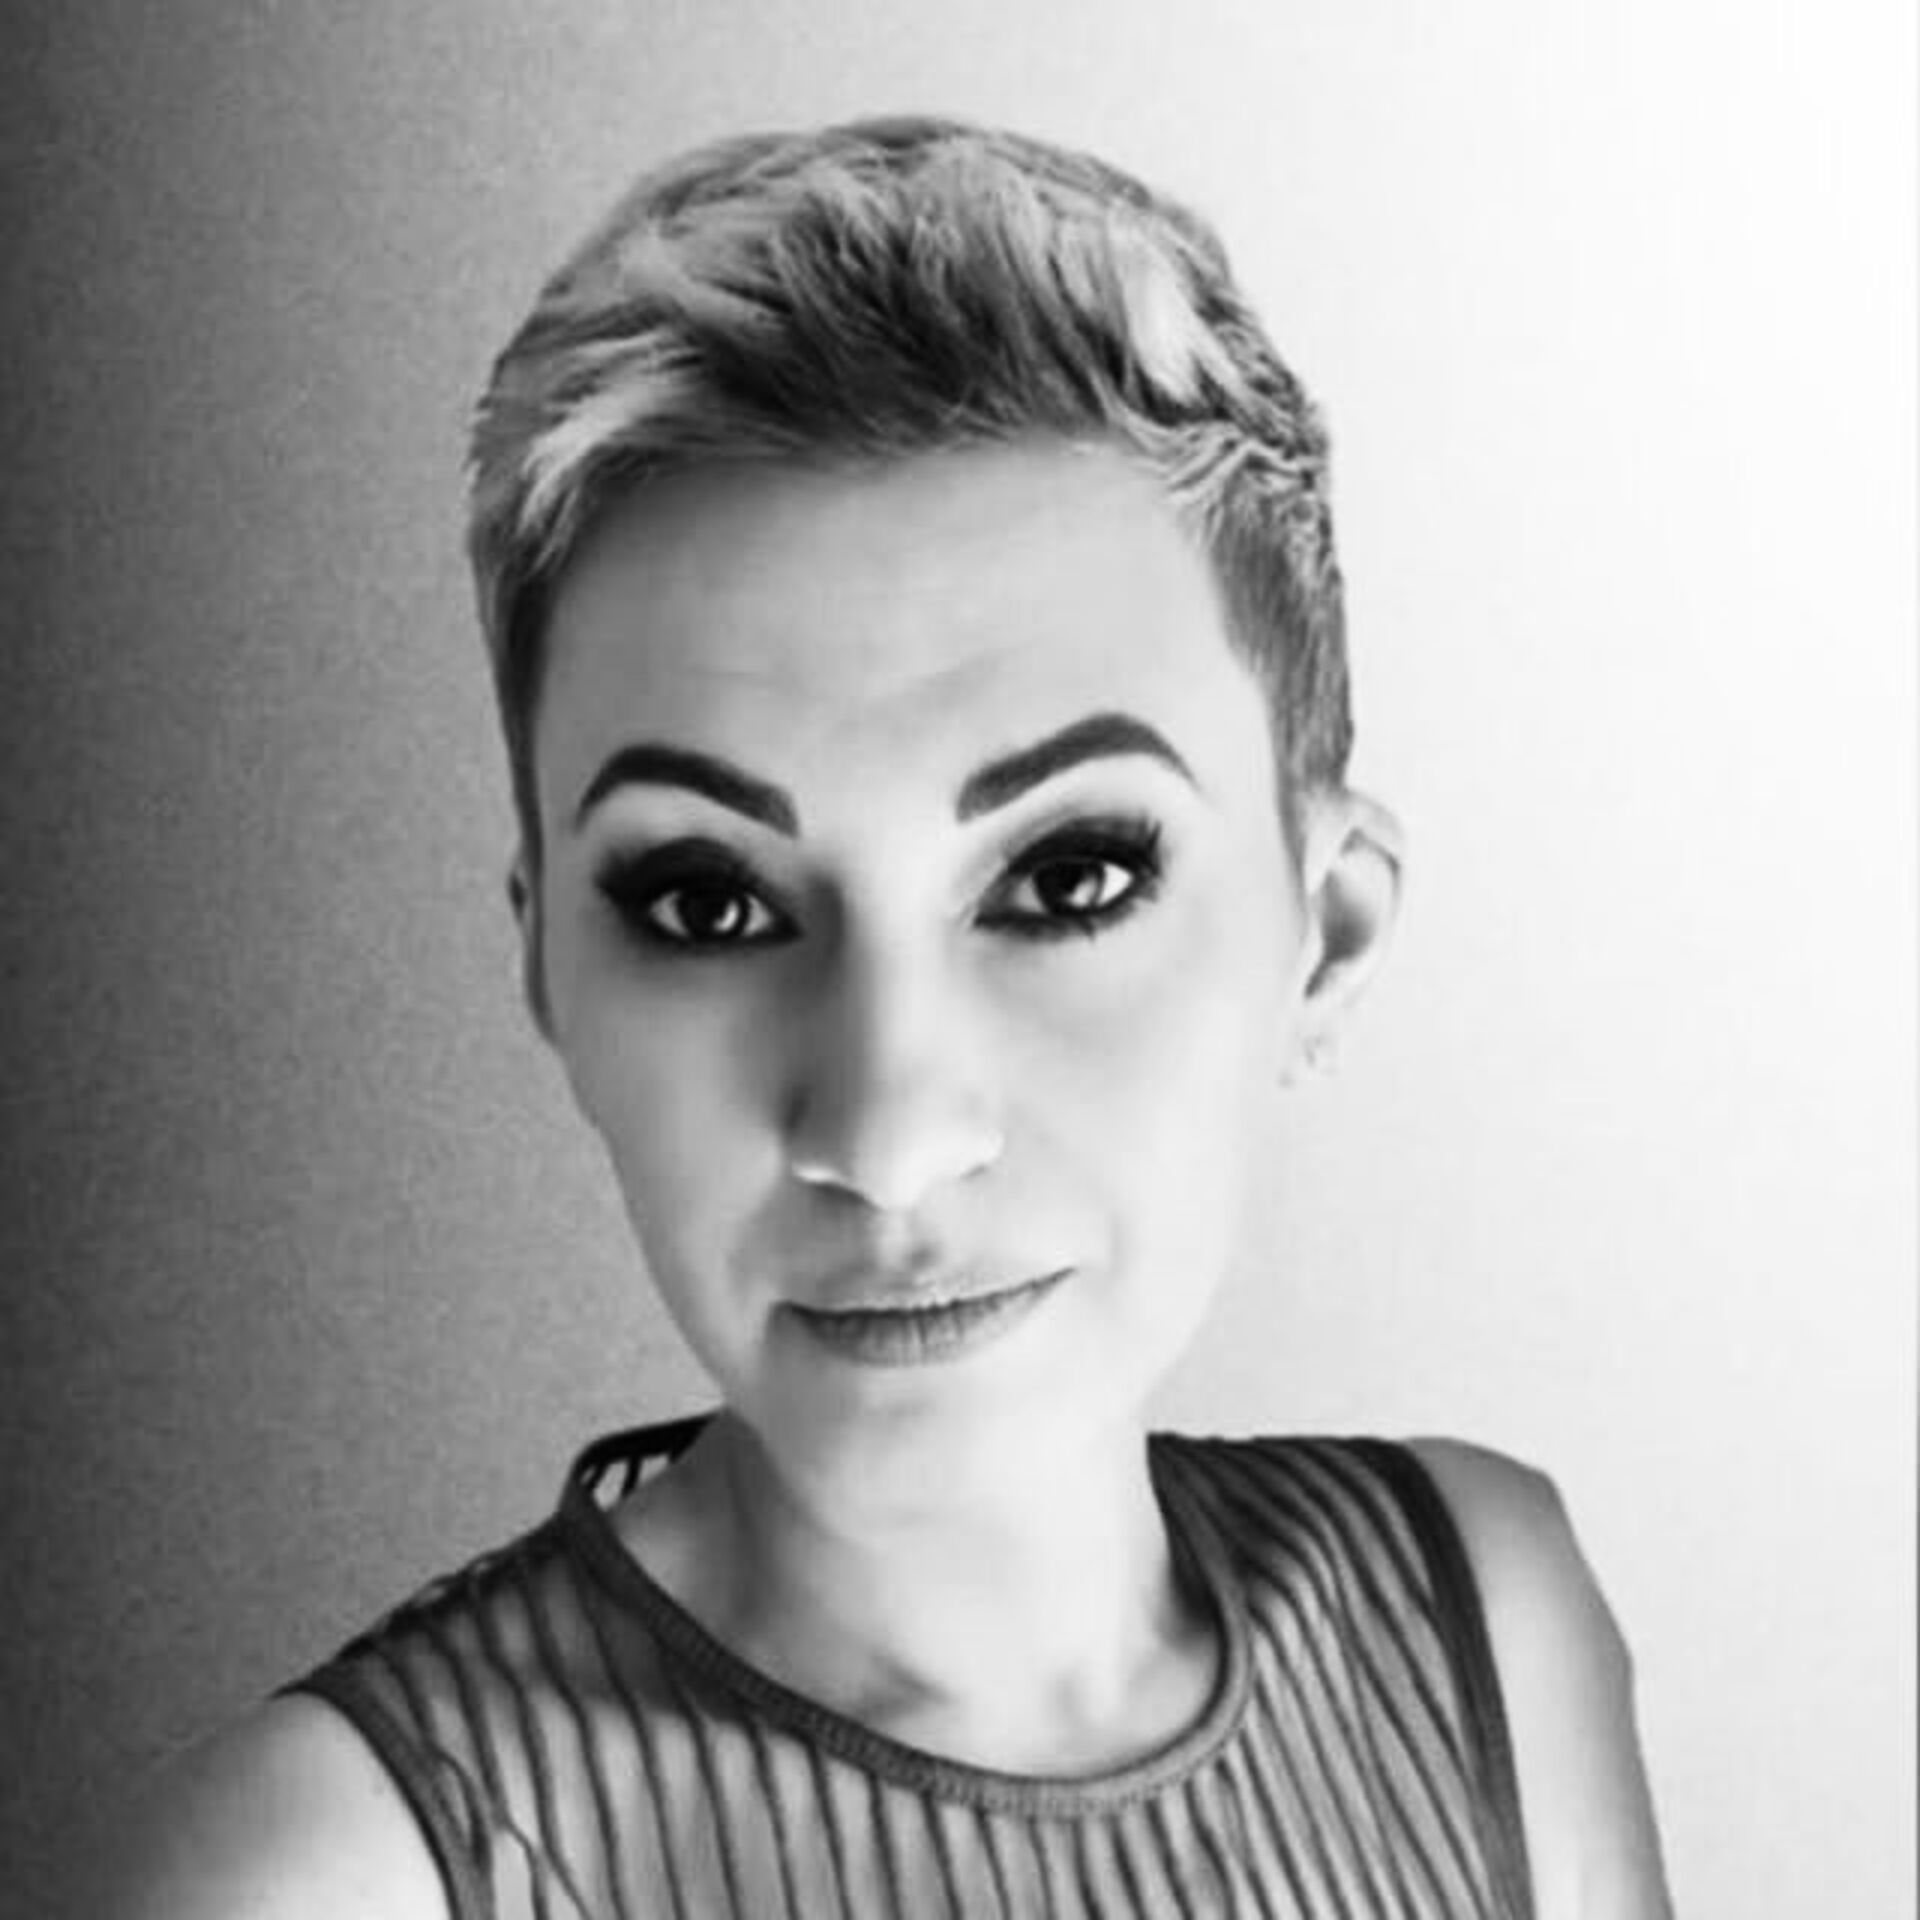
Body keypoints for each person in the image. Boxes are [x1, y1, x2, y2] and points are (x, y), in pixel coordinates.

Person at [98, 115, 1671, 1917]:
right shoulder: (324, 1880)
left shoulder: (1486, 1626)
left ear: (1327, 931)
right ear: (549, 974)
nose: (889, 1131)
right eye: (706, 903)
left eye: (1067, 878)